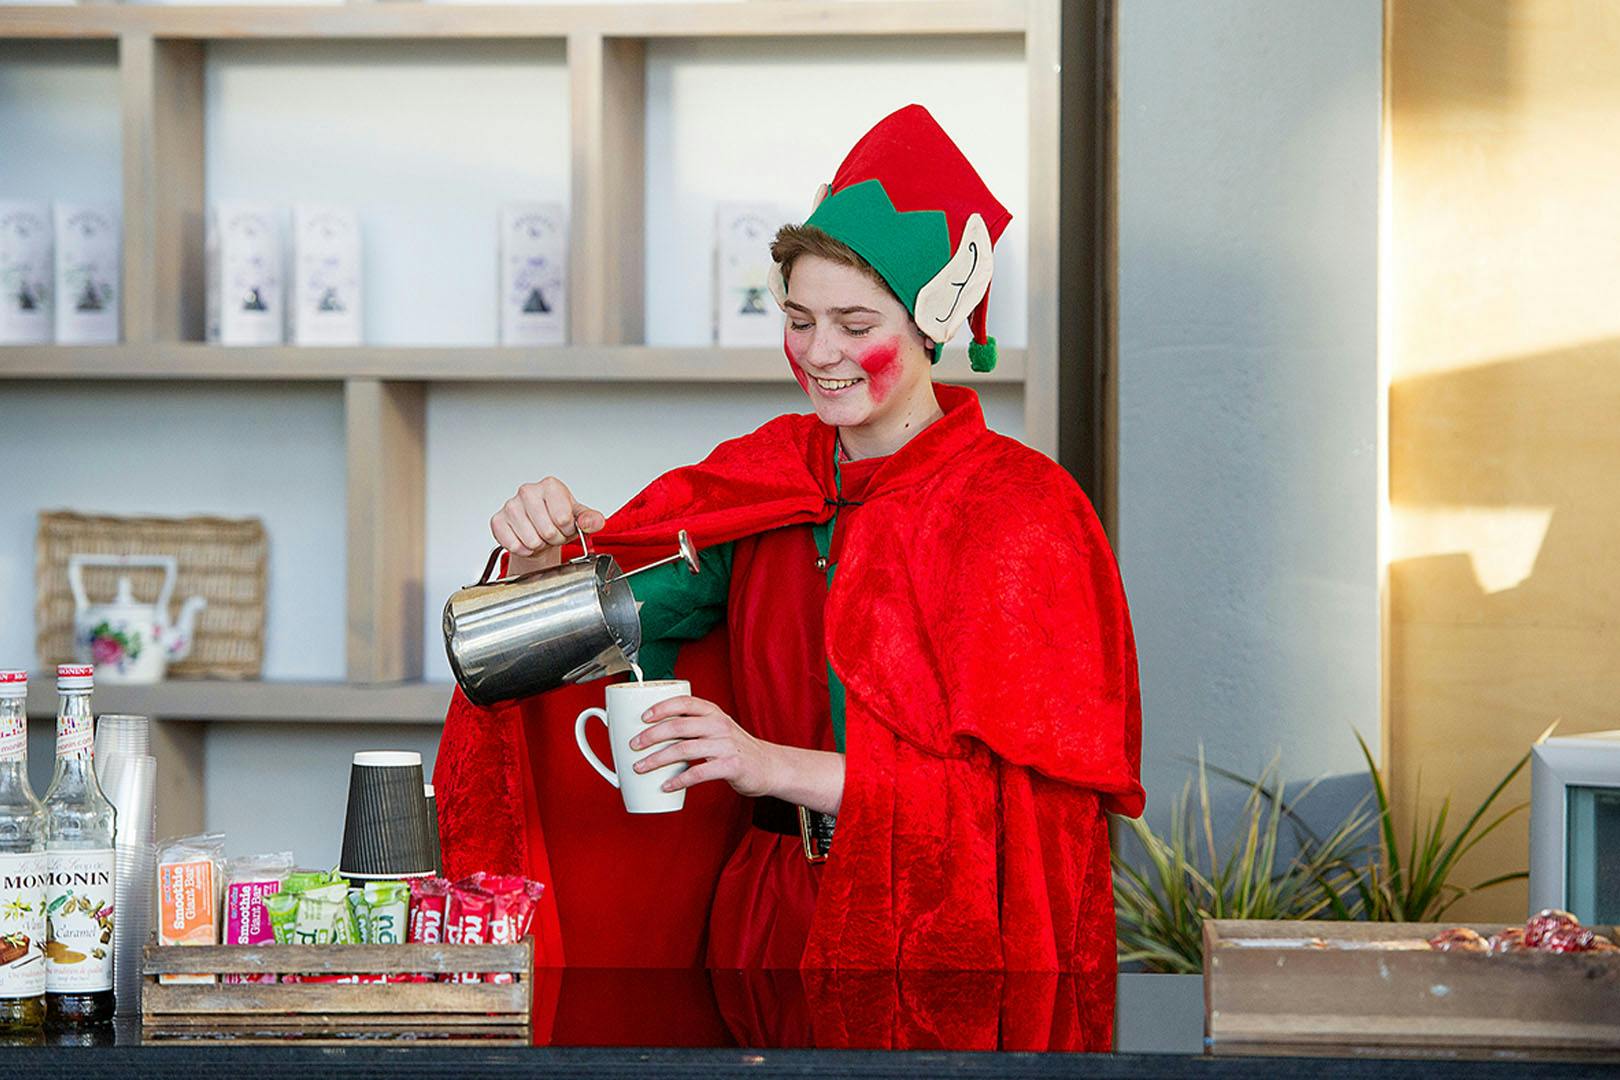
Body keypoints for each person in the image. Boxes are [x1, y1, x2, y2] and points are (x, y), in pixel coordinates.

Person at [435, 106, 1143, 1002]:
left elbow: (1031, 809)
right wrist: (546, 565)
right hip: (764, 932)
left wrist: (768, 763)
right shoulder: (764, 481)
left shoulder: (1021, 513)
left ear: (933, 322)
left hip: (942, 944)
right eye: (799, 319)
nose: (821, 354)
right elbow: (595, 639)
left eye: (855, 322)